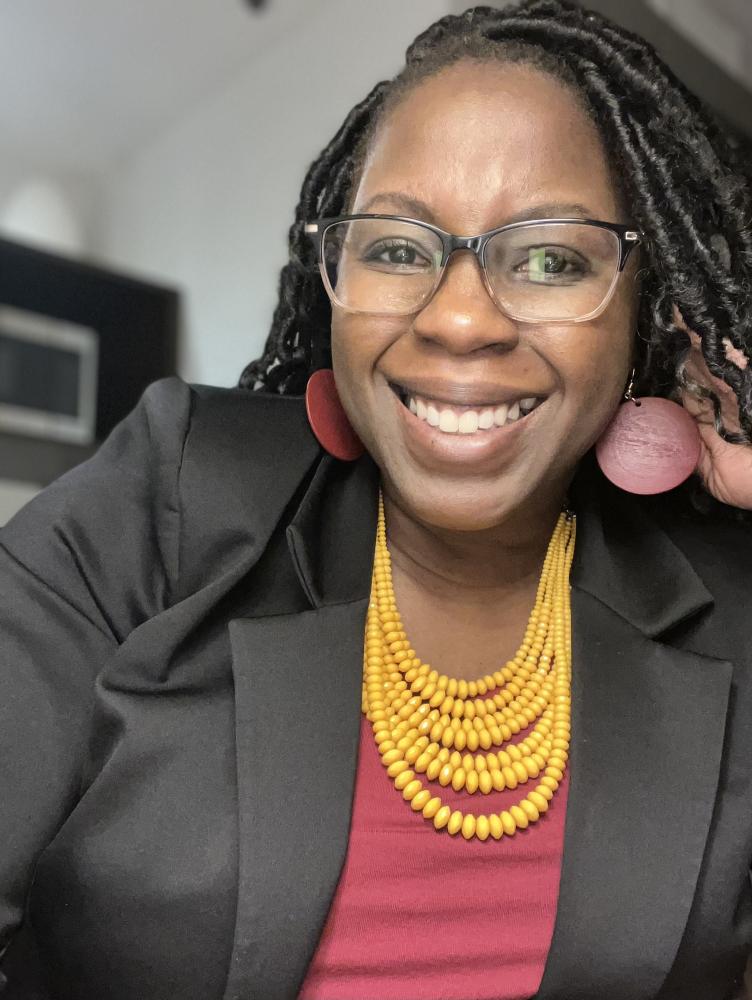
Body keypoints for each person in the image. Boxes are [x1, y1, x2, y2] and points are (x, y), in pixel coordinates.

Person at [2, 1, 752, 998]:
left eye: (548, 259)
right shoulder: (171, 497)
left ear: (641, 315)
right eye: (398, 248)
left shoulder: (723, 597)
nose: (459, 319)